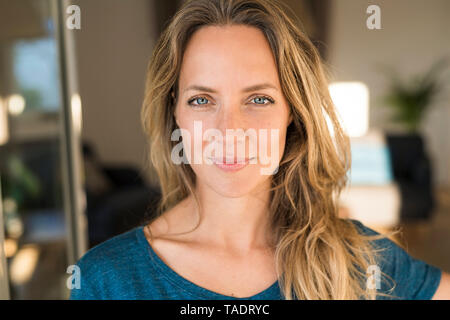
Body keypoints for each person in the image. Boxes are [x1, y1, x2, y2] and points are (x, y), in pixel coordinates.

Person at [69, 0, 450, 300]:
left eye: (259, 99)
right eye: (202, 100)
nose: (229, 128)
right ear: (175, 114)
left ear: (292, 112)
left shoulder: (352, 257)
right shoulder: (107, 280)